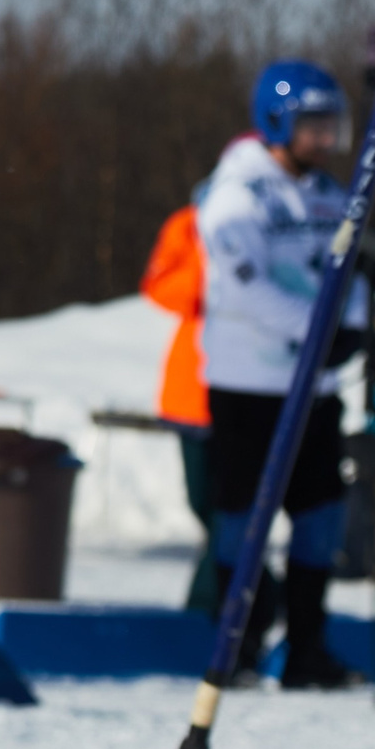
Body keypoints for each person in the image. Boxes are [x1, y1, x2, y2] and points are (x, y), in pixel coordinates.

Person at [195, 58, 367, 690]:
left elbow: (347, 270)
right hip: (251, 387)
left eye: (330, 125)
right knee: (243, 519)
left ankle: (306, 648)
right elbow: (247, 290)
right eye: (310, 125)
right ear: (275, 122)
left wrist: (351, 323)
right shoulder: (235, 195)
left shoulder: (329, 194)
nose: (323, 139)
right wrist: (317, 333)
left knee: (320, 516)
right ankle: (236, 646)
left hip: (314, 390)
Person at [140, 195, 221, 616]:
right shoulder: (191, 224)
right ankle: (259, 592)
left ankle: (208, 605)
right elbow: (160, 287)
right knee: (204, 503)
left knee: (231, 511)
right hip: (194, 394)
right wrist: (213, 266)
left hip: (260, 391)